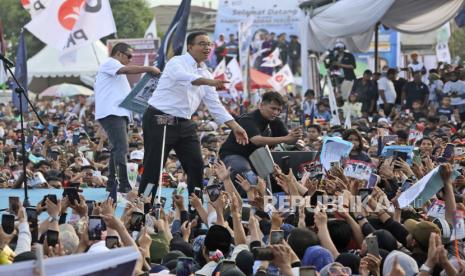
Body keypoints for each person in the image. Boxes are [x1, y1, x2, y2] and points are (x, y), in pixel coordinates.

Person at [138, 32, 249, 197]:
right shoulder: (177, 62)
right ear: (190, 46)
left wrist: (236, 127)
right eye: (202, 44)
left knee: (196, 166)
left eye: (209, 44)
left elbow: (215, 105)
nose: (207, 48)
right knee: (154, 166)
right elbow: (184, 77)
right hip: (160, 119)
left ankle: (195, 207)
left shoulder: (206, 73)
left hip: (185, 123)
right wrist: (208, 82)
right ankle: (144, 206)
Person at [94, 42, 160, 193]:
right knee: (121, 148)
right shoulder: (110, 63)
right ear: (119, 54)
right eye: (129, 56)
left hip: (117, 113)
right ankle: (123, 184)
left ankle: (112, 182)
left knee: (116, 149)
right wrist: (148, 68)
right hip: (112, 113)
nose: (130, 60)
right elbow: (126, 69)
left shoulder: (113, 70)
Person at [219, 91, 302, 193]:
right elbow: (256, 140)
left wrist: (295, 137)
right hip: (234, 154)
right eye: (273, 108)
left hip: (257, 157)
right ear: (262, 105)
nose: (276, 113)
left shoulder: (275, 121)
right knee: (245, 172)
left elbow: (289, 140)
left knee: (279, 178)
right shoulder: (248, 119)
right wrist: (286, 139)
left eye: (279, 110)